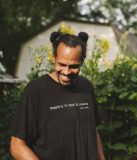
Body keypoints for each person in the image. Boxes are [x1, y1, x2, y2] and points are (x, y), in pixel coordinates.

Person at [10, 31, 105, 160]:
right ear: (54, 58)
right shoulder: (36, 90)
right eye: (61, 64)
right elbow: (17, 146)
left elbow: (92, 131)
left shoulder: (86, 87)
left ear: (82, 61)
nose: (66, 72)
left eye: (73, 66)